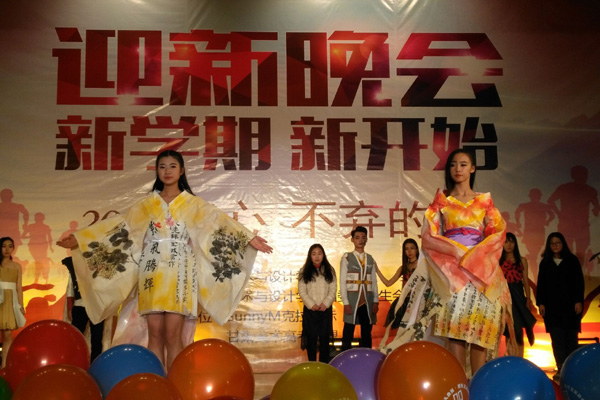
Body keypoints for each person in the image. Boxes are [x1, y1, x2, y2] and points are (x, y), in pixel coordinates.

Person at [57, 150, 273, 369]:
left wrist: (247, 238)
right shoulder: (147, 204)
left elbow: (218, 223)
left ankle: (175, 384)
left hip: (180, 272)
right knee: (155, 335)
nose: (167, 171)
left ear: (181, 170)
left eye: (172, 166)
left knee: (173, 335)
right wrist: (80, 239)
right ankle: (158, 383)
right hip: (152, 271)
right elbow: (122, 227)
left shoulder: (193, 204)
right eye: (162, 167)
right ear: (157, 171)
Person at [379, 148, 510, 377]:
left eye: (463, 164)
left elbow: (497, 234)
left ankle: (478, 386)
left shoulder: (484, 202)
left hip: (481, 275)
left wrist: (475, 257)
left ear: (472, 169)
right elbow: (429, 236)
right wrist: (456, 253)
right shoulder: (442, 202)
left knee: (479, 334)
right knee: (454, 333)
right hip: (452, 273)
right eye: (453, 165)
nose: (458, 169)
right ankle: (459, 385)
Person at [536, 232, 584, 382]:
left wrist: (578, 301)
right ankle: (561, 368)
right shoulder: (545, 262)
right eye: (552, 244)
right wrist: (541, 303)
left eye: (558, 243)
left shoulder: (572, 260)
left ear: (563, 244)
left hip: (570, 307)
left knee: (571, 339)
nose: (555, 246)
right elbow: (541, 284)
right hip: (552, 308)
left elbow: (579, 282)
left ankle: (572, 369)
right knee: (557, 340)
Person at [340, 226, 379, 351]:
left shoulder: (370, 258)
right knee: (348, 330)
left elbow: (374, 281)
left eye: (363, 237)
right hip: (352, 299)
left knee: (366, 331)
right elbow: (342, 281)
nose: (360, 240)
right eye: (357, 238)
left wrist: (376, 300)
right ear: (352, 240)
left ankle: (367, 356)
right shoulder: (347, 257)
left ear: (366, 239)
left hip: (367, 300)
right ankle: (345, 356)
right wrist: (345, 302)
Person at [298, 244, 337, 363]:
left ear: (323, 255)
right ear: (310, 256)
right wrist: (311, 305)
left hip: (325, 310)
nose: (317, 257)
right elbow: (302, 291)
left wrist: (325, 303)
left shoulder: (330, 270)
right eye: (314, 254)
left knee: (325, 340)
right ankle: (312, 365)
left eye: (319, 254)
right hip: (310, 311)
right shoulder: (304, 271)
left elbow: (333, 289)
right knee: (311, 340)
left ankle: (324, 366)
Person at [500, 232, 536, 357]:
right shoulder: (498, 261)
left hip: (518, 296)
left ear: (515, 243)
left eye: (511, 241)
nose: (509, 245)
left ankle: (519, 358)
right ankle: (510, 357)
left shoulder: (522, 260)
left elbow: (525, 282)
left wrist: (528, 299)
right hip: (504, 297)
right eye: (506, 242)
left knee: (518, 328)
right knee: (508, 329)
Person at [63, 256, 104, 362]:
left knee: (97, 339)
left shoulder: (102, 262)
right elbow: (71, 286)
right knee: (75, 337)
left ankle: (95, 365)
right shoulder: (75, 262)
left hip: (97, 306)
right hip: (80, 305)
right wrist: (70, 306)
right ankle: (74, 362)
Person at [375, 238, 419, 329]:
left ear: (417, 250)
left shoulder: (422, 265)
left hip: (418, 301)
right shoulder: (403, 268)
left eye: (412, 248)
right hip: (404, 302)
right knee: (403, 330)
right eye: (406, 249)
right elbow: (388, 283)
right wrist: (377, 270)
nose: (409, 251)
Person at [0, 237, 26, 368]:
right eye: (4, 246)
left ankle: (4, 365)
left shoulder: (17, 266)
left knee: (7, 334)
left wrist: (21, 305)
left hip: (9, 301)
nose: (7, 249)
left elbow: (19, 288)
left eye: (10, 246)